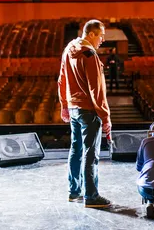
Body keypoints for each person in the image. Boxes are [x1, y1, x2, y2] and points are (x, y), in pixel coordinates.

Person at [58, 19, 112, 209]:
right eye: (101, 35)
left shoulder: (69, 49)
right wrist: (106, 117)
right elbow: (96, 90)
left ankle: (74, 191)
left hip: (73, 108)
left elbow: (61, 79)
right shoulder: (89, 55)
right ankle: (91, 195)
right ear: (91, 34)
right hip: (88, 110)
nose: (103, 39)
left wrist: (64, 105)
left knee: (76, 150)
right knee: (91, 153)